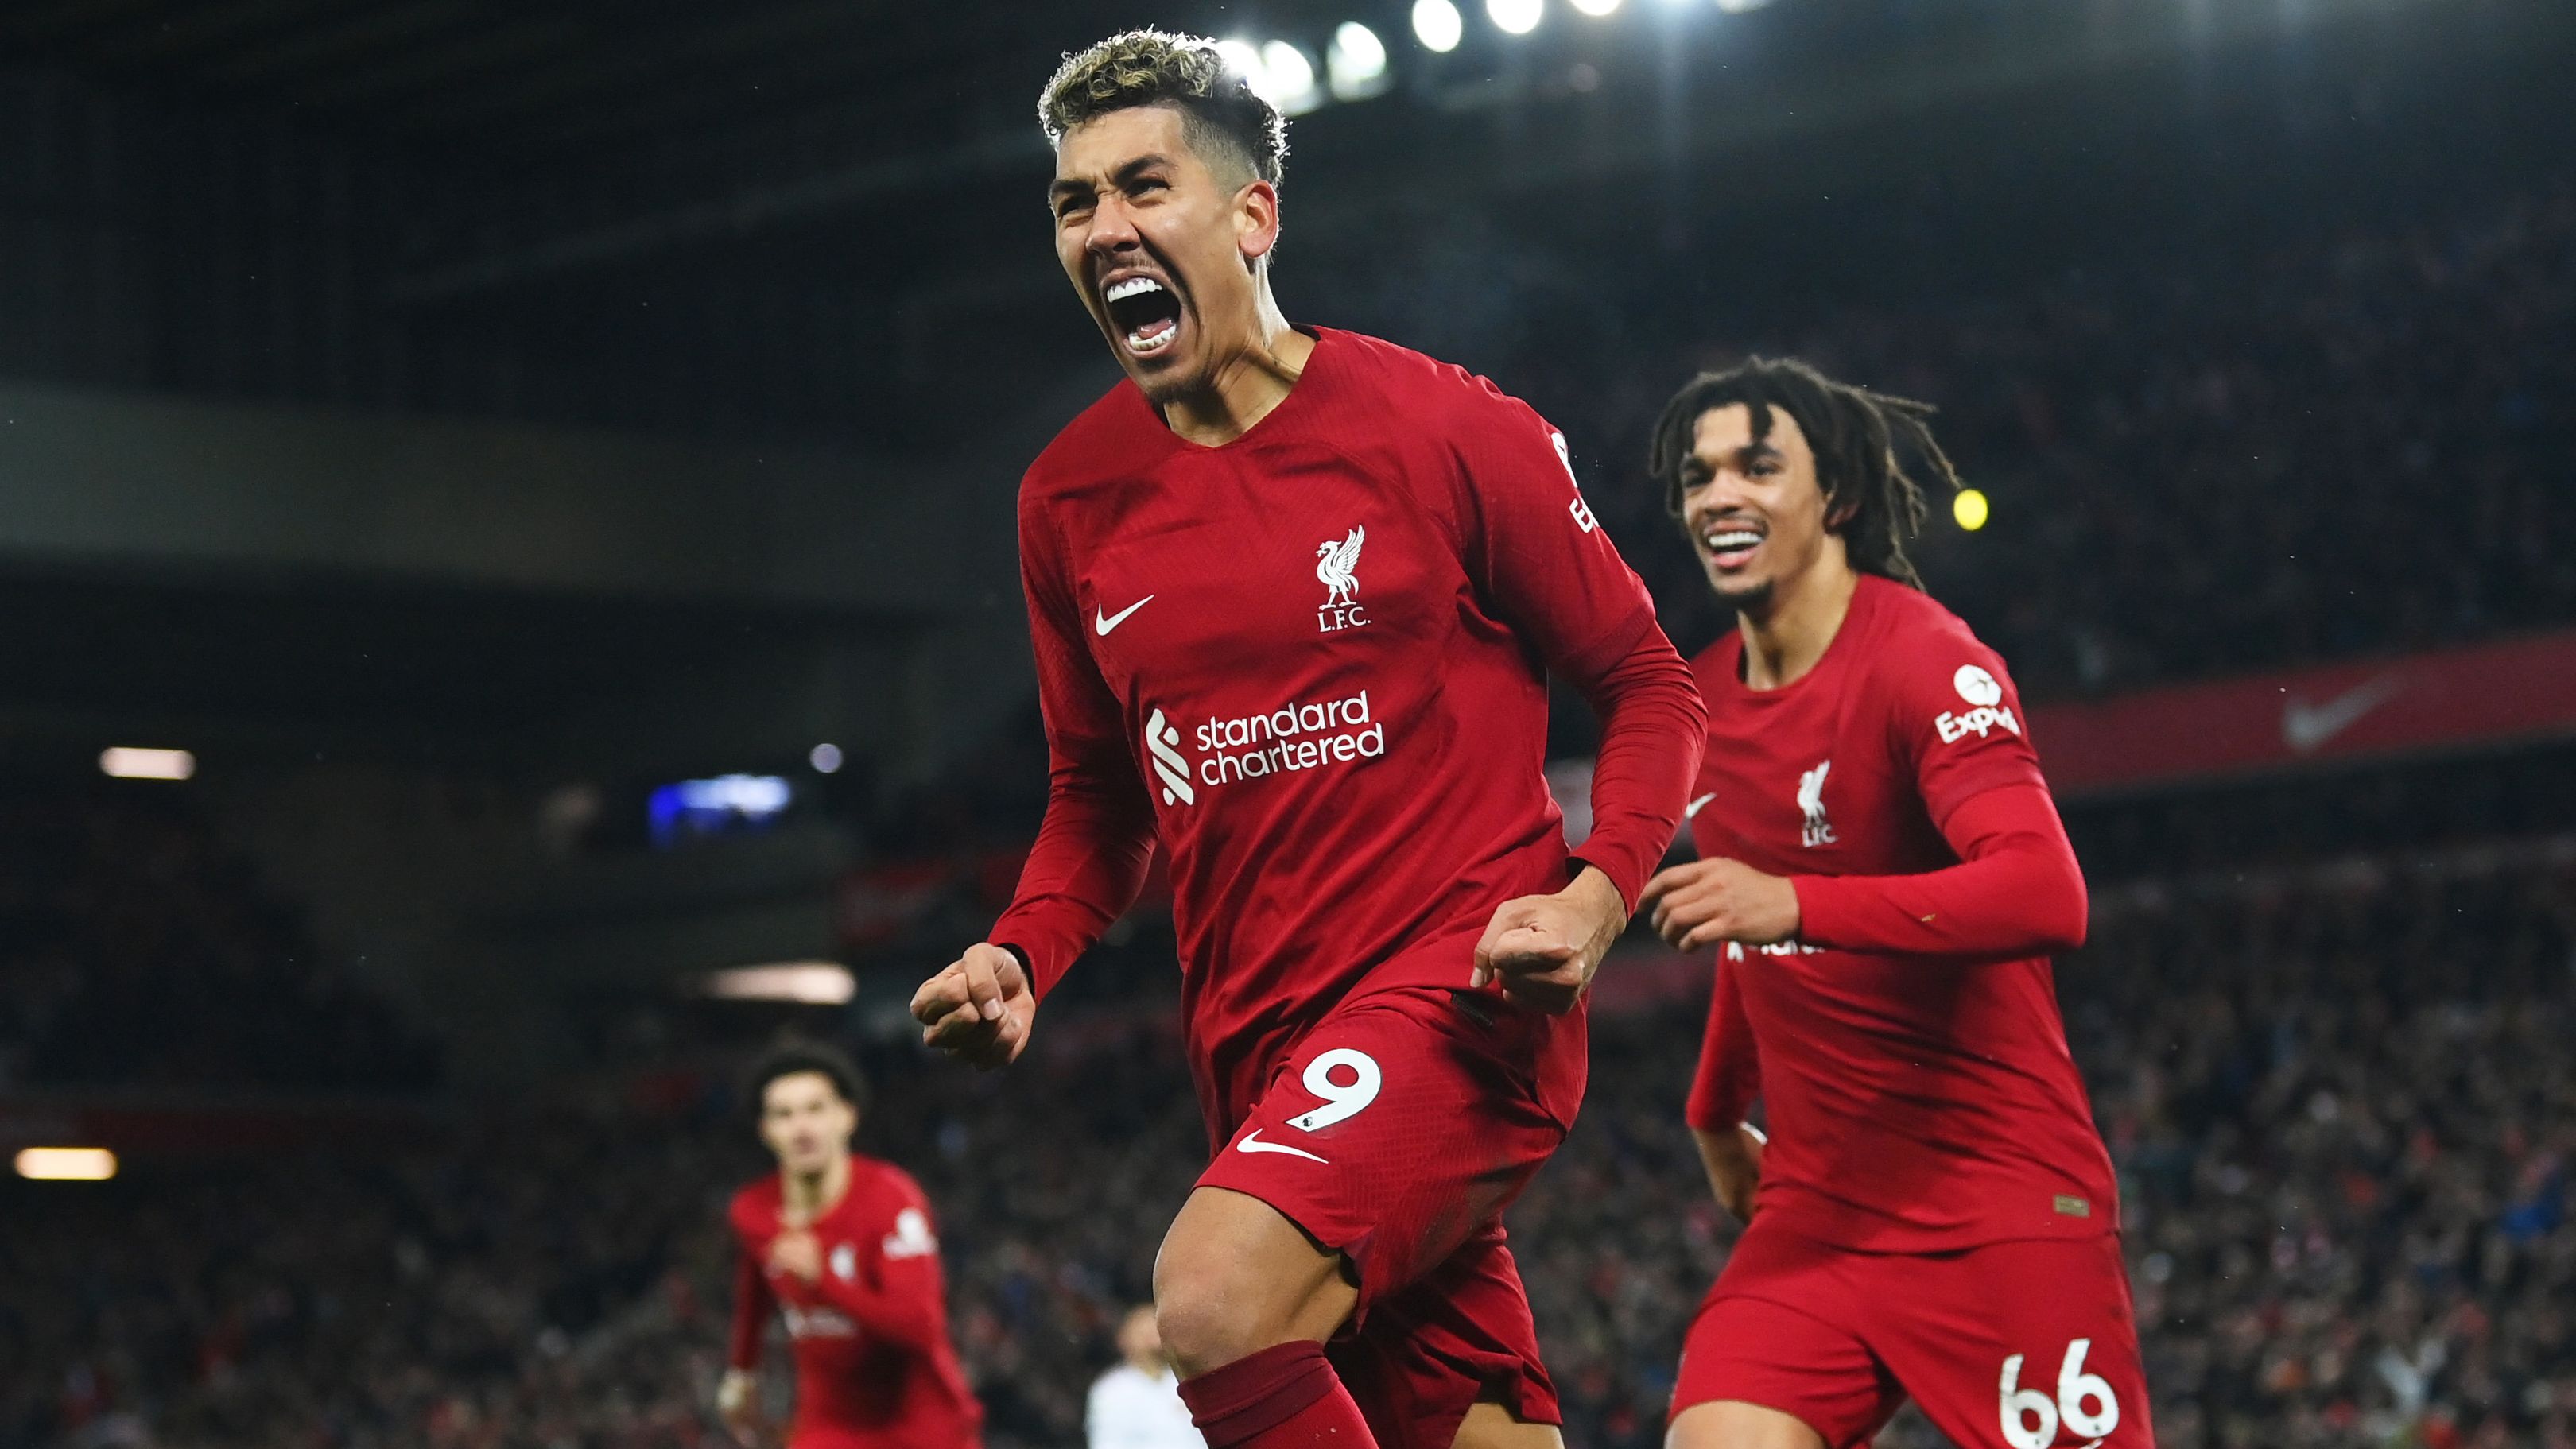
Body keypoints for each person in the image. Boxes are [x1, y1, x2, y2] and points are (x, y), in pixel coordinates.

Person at [906, 29, 1706, 1449]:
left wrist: (1598, 893)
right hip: (1258, 1043)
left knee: (1209, 1300)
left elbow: (1650, 680)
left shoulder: (1447, 429)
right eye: (1072, 202)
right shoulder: (1067, 502)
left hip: (1461, 993)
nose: (1103, 228)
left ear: (1252, 214)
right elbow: (1100, 799)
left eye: (1141, 185)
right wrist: (1022, 951)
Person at [1637, 358, 2154, 1449]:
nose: (1719, 494)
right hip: (1820, 1216)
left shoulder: (1925, 658)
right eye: (1699, 474)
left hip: (1999, 1204)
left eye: (1757, 466)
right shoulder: (1701, 699)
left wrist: (1795, 899)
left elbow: (2045, 891)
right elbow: (1751, 924)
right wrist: (1715, 1104)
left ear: (1838, 498)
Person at [719, 1042, 981, 1449]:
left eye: (815, 1109)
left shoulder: (892, 1199)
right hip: (831, 1429)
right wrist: (743, 1372)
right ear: (765, 1130)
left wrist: (822, 1279)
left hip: (924, 1427)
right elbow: (755, 1283)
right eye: (784, 1115)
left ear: (847, 1116)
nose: (802, 1127)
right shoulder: (753, 1210)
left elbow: (920, 1329)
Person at [1088, 1304, 1201, 1449]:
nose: (1152, 1339)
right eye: (1143, 1333)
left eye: (1155, 1330)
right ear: (1124, 1340)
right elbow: (1108, 1443)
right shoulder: (1111, 1391)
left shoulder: (1188, 1377)